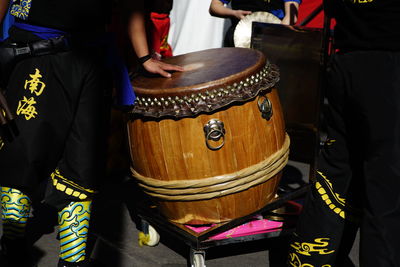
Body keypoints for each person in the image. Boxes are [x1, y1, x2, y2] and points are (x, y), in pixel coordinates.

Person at [0, 0, 181, 266]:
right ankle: (12, 246)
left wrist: (144, 57)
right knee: (23, 154)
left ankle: (72, 260)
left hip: (92, 61)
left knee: (83, 162)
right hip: (35, 54)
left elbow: (131, 3)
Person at [287, 0, 400, 266]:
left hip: (347, 62)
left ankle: (310, 261)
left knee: (336, 175)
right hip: (387, 62)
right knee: (386, 190)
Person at [209, 0, 301, 47]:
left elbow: (291, 16)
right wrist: (234, 13)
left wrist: (274, 38)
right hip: (239, 38)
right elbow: (214, 6)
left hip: (272, 39)